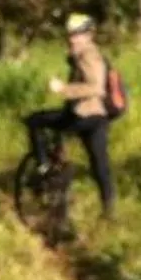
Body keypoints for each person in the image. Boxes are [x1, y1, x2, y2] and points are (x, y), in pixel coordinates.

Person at [24, 12, 116, 217]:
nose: (72, 38)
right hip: (97, 118)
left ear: (89, 35)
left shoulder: (88, 55)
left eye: (77, 34)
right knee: (99, 164)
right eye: (70, 34)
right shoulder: (84, 54)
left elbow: (96, 87)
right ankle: (109, 211)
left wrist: (63, 88)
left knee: (34, 121)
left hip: (83, 116)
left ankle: (43, 167)